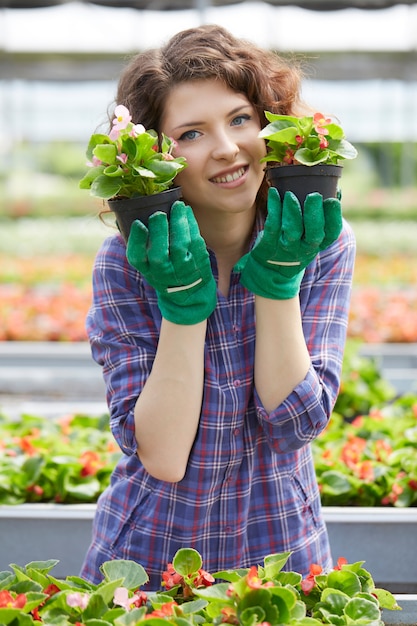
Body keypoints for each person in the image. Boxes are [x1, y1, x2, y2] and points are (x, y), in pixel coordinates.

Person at [80, 24, 356, 589]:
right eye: (191, 133)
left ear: (270, 124)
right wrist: (182, 304)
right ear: (154, 157)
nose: (227, 148)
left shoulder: (320, 238)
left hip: (282, 555)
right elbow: (163, 457)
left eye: (239, 119)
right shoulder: (124, 262)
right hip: (150, 556)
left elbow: (296, 425)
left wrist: (279, 280)